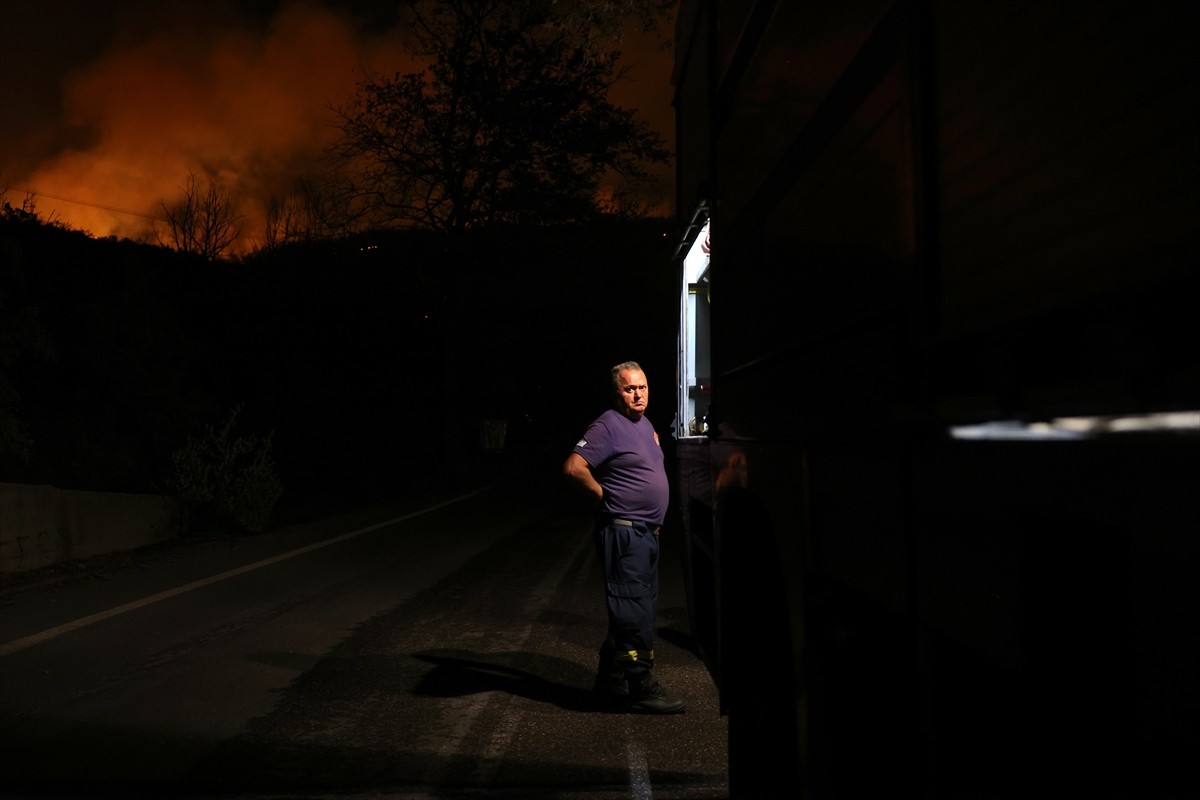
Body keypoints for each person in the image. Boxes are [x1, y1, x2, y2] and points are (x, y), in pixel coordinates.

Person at [563, 361, 685, 714]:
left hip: (647, 534)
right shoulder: (608, 425)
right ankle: (640, 684)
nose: (638, 394)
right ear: (617, 393)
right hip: (625, 532)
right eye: (630, 389)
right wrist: (605, 496)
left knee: (633, 608)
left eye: (643, 388)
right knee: (634, 610)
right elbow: (573, 467)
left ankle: (608, 680)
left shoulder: (645, 425)